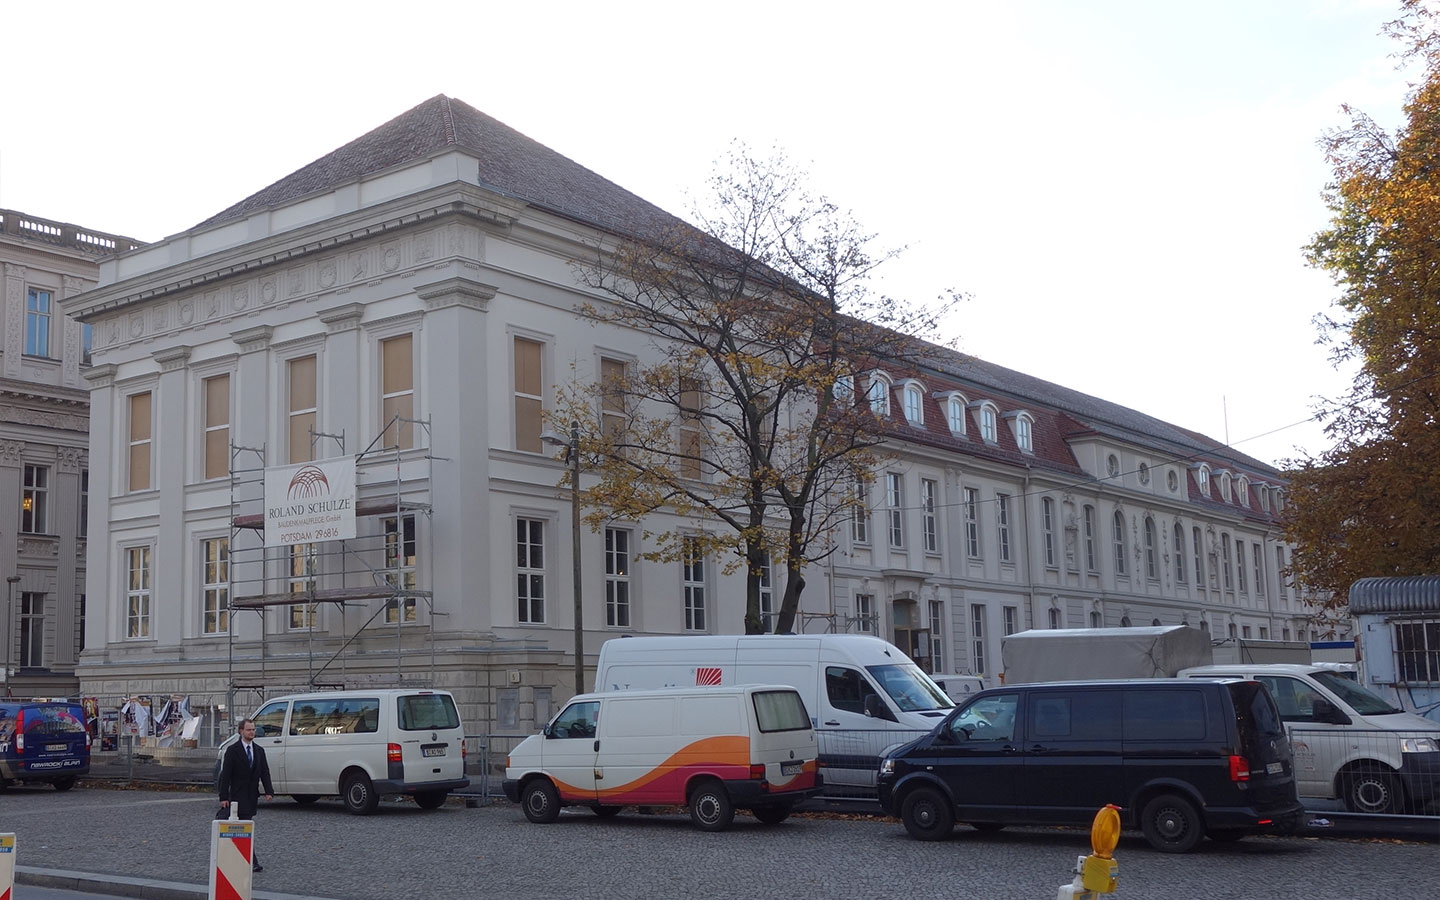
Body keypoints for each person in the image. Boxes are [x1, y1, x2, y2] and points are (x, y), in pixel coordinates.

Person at [217, 718, 274, 872]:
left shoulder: (259, 751)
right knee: (242, 828)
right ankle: (251, 860)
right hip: (235, 797)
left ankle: (243, 858)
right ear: (241, 731)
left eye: (253, 729)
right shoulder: (232, 750)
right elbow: (226, 776)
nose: (252, 732)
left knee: (245, 828)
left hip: (250, 797)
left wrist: (269, 791)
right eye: (249, 730)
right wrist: (223, 797)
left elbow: (264, 772)